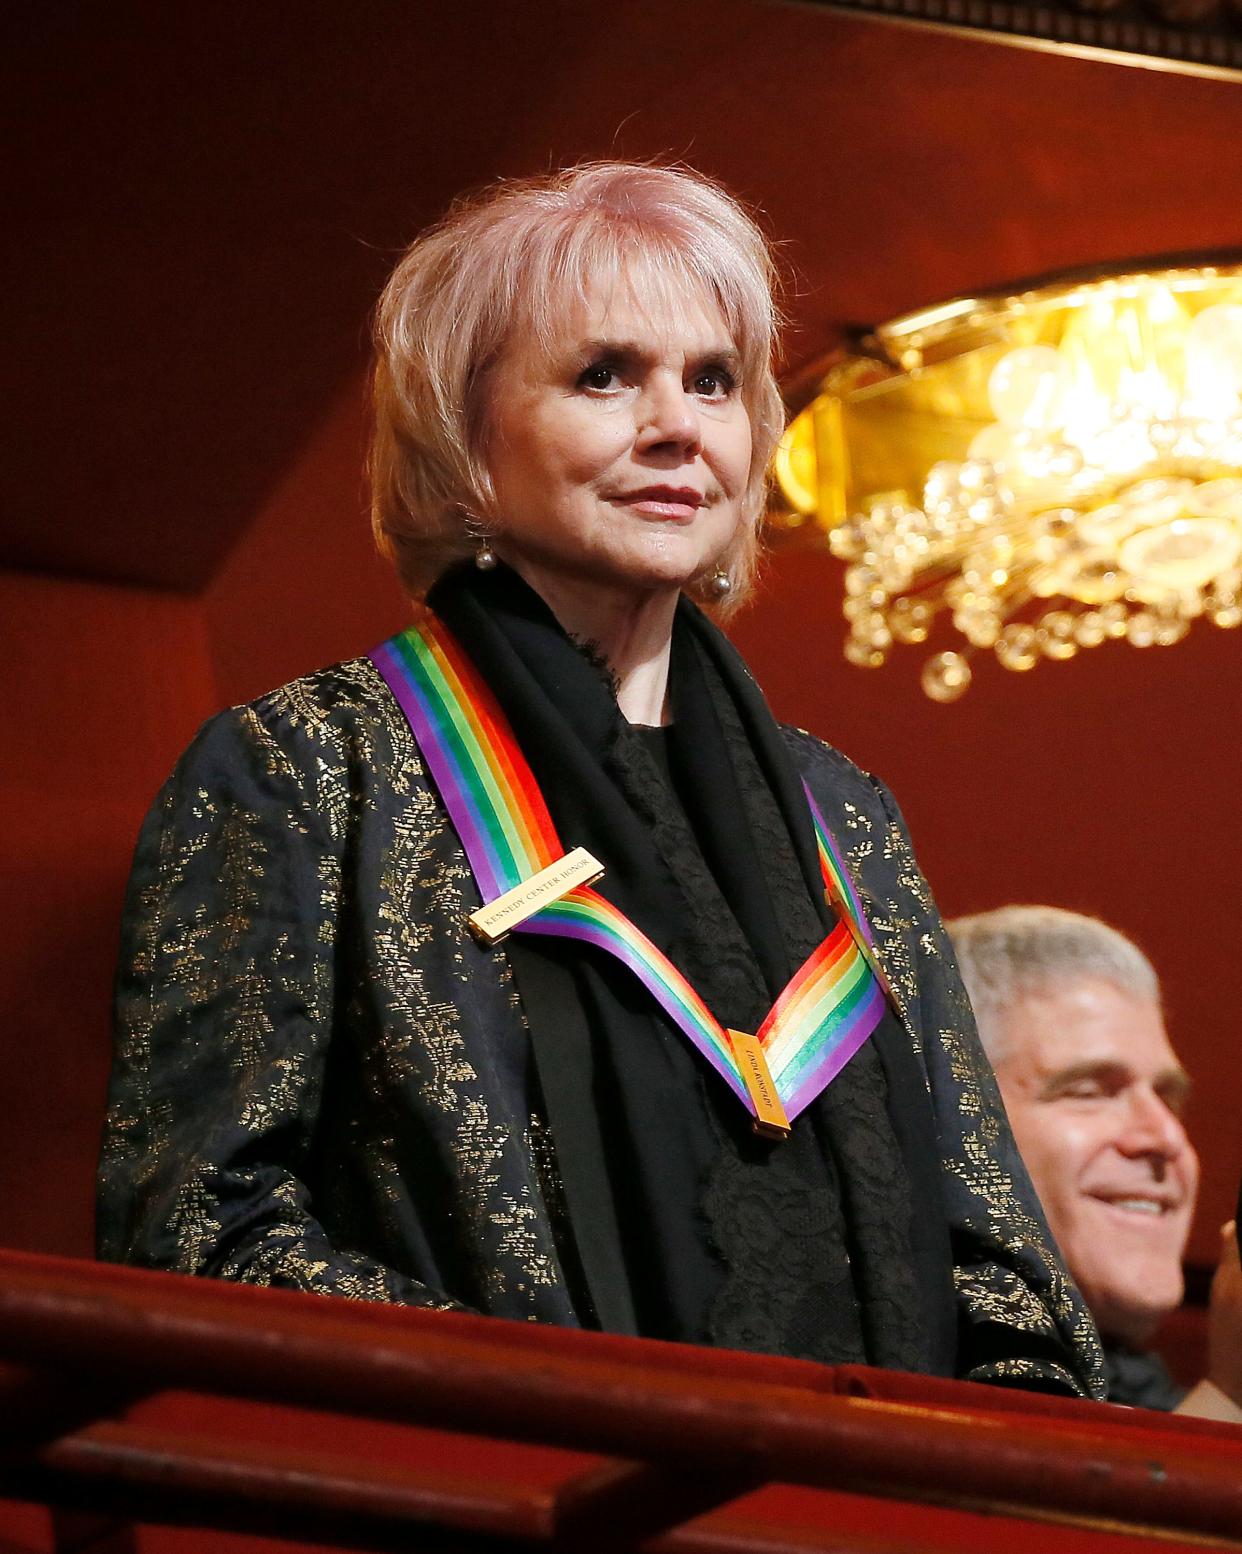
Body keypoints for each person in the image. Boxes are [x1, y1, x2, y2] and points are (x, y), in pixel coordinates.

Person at [98, 162, 1100, 1396]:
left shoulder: (847, 815)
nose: (678, 424)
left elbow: (1001, 1270)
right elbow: (203, 1232)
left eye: (715, 382)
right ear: (465, 437)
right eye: (605, 375)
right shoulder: (309, 770)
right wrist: (573, 1410)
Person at [947, 905, 1242, 1417]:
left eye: (1169, 1098)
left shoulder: (1151, 1393)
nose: (1167, 1137)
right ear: (956, 1126)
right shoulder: (902, 1374)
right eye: (1089, 1092)